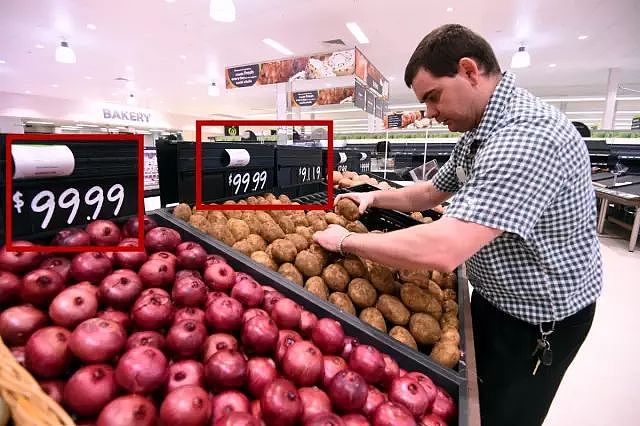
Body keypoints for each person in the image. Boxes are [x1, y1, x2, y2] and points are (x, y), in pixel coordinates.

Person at [313, 24, 602, 426]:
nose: (428, 113)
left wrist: (345, 241)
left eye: (433, 97)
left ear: (469, 71)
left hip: (537, 322)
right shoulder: (479, 131)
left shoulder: (527, 135)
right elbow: (429, 193)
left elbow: (444, 249)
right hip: (495, 298)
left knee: (504, 416)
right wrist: (371, 196)